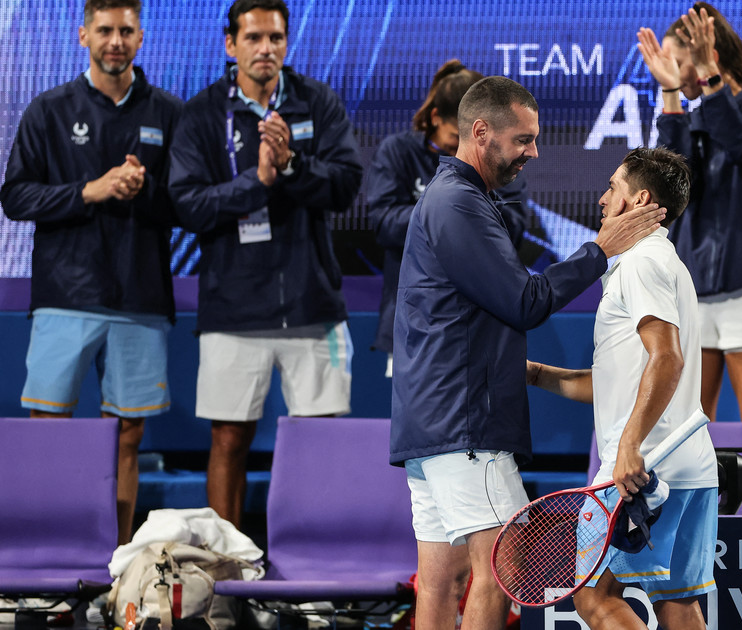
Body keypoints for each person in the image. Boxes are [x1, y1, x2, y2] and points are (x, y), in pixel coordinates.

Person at [389, 76, 666, 630]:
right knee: (502, 572)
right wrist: (600, 250)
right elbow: (525, 301)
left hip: (433, 426)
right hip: (467, 427)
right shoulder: (458, 202)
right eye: (523, 139)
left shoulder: (455, 197)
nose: (533, 152)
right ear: (481, 131)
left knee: (440, 583)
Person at [168, 0, 363, 530]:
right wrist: (257, 181)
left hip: (311, 304)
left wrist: (292, 164)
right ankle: (225, 567)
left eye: (275, 38)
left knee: (320, 438)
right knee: (229, 438)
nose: (266, 49)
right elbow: (187, 204)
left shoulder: (316, 101)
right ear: (230, 44)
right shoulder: (202, 113)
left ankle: (316, 566)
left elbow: (346, 186)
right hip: (233, 307)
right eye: (253, 38)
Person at [0, 0, 181, 545]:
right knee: (48, 432)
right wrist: (89, 191)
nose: (115, 40)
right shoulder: (48, 109)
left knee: (127, 437)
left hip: (139, 299)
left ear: (141, 37)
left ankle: (116, 561)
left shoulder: (169, 112)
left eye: (126, 30)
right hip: (64, 295)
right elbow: (15, 196)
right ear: (83, 35)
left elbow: (190, 205)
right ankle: (47, 554)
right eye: (105, 30)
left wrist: (145, 188)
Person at [527, 147, 717, 630]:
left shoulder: (640, 264)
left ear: (640, 199)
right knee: (677, 602)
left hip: (644, 464)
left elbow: (666, 358)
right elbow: (622, 383)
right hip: (691, 464)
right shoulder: (665, 262)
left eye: (613, 187)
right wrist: (538, 375)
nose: (602, 199)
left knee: (594, 597)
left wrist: (630, 446)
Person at [637, 2, 742, 514]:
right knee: (683, 433)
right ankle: (688, 540)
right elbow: (669, 187)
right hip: (693, 300)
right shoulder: (691, 121)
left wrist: (707, 80)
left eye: (679, 61)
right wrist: (670, 94)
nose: (675, 70)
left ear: (711, 57)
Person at [366, 59, 529, 373]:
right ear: (435, 118)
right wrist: (449, 213)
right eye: (456, 136)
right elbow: (385, 224)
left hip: (486, 321)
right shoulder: (397, 153)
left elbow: (514, 230)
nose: (463, 148)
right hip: (415, 321)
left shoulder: (500, 161)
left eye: (475, 137)